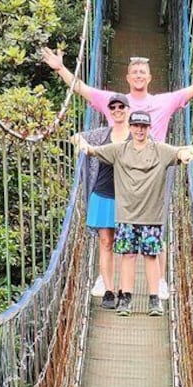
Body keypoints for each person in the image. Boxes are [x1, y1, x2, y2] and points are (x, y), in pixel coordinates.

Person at [42, 48, 193, 298]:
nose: (138, 75)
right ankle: (108, 281)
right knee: (114, 232)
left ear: (150, 77)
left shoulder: (163, 102)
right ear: (127, 76)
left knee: (157, 225)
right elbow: (81, 89)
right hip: (119, 173)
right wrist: (60, 69)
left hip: (154, 174)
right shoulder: (115, 100)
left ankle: (161, 282)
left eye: (142, 72)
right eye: (134, 71)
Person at [73, 111, 193, 317]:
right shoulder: (119, 149)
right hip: (126, 216)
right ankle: (126, 298)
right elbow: (93, 151)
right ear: (130, 127)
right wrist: (81, 143)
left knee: (150, 256)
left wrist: (187, 154)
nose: (140, 130)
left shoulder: (160, 150)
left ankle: (154, 299)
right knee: (128, 256)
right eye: (136, 126)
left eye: (144, 126)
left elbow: (182, 151)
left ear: (149, 129)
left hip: (151, 216)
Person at [72, 93, 130, 310]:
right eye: (113, 107)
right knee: (106, 242)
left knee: (125, 246)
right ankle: (108, 290)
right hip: (102, 193)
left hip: (127, 199)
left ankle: (125, 290)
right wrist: (85, 146)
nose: (117, 110)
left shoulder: (136, 135)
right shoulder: (102, 134)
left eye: (121, 107)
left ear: (128, 110)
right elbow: (76, 136)